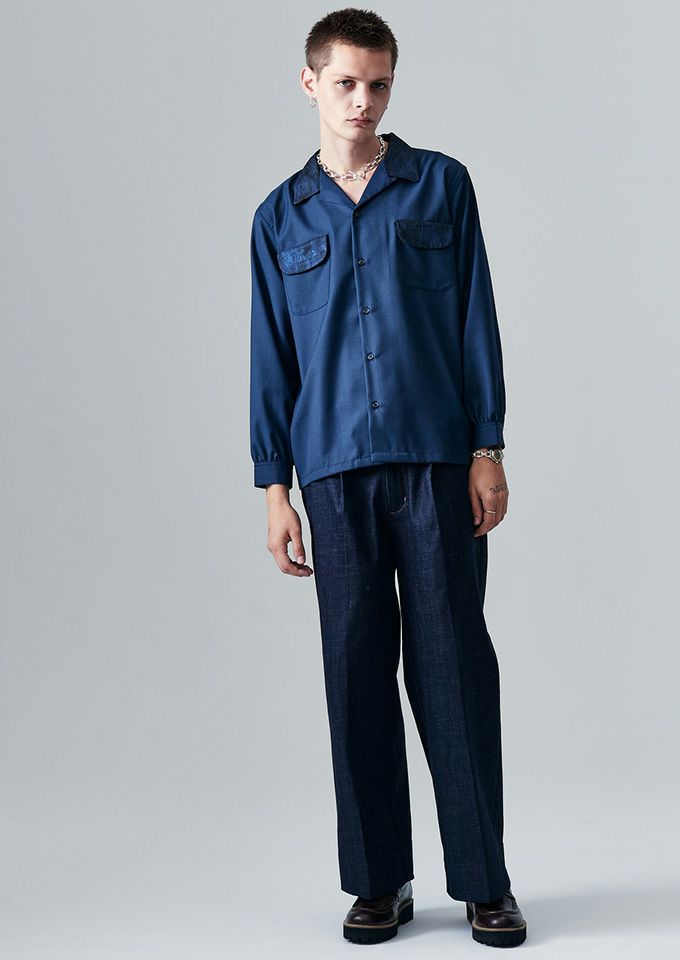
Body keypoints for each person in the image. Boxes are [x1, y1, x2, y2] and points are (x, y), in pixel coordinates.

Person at [249, 8, 526, 948]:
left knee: (454, 668)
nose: (363, 102)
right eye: (345, 83)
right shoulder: (278, 217)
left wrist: (487, 447)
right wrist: (276, 489)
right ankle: (378, 882)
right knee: (354, 671)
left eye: (379, 85)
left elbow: (475, 318)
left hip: (437, 459)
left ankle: (484, 882)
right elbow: (271, 359)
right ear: (310, 84)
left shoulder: (441, 186)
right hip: (331, 472)